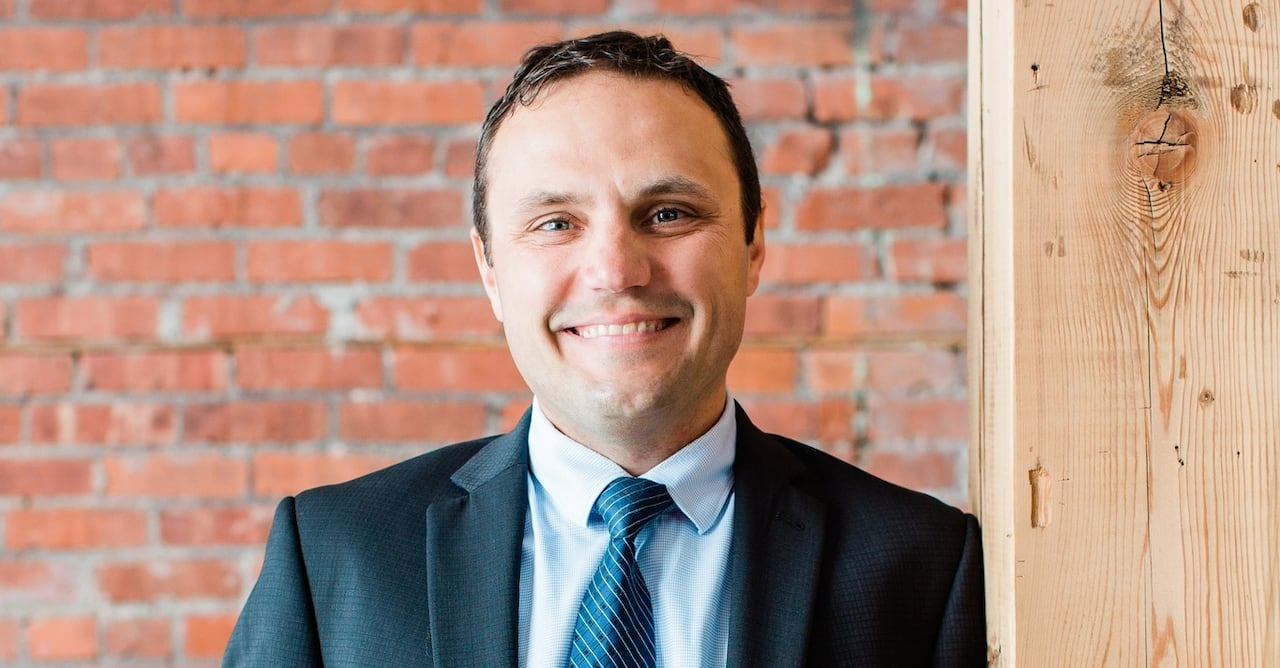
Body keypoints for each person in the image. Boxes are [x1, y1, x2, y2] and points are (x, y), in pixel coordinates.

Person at [223, 31, 985, 667]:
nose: (617, 270)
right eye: (556, 222)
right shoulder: (334, 558)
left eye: (668, 212)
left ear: (754, 243)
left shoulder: (920, 568)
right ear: (490, 270)